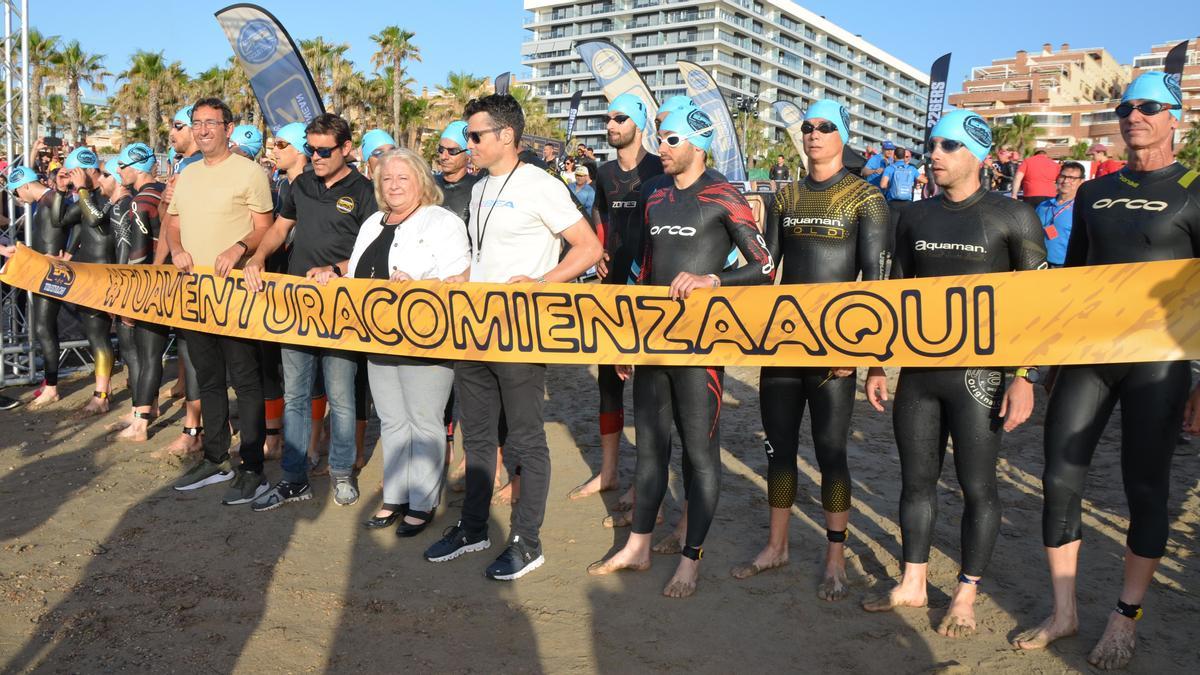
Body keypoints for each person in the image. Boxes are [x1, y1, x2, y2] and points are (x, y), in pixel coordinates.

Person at [1013, 72, 1200, 670]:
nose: (1134, 116)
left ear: (1177, 119)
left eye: (1149, 107)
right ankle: (1064, 610)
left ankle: (1126, 615)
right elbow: (1070, 287)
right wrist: (1034, 368)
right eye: (1126, 107)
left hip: (1158, 362)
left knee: (1144, 486)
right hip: (1090, 356)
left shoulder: (1196, 190)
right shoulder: (1094, 194)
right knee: (1060, 477)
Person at [862, 109, 1046, 637]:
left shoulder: (1014, 217)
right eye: (931, 145)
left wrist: (1024, 376)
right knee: (915, 481)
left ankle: (965, 591)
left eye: (948, 146)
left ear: (979, 154)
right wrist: (877, 363)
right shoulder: (916, 217)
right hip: (920, 374)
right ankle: (914, 582)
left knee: (976, 486)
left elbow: (1036, 305)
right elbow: (891, 296)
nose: (934, 154)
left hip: (980, 377)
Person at [586, 105, 774, 598]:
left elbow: (765, 265)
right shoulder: (655, 195)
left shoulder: (723, 195)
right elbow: (642, 274)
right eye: (660, 139)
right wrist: (627, 339)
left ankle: (691, 559)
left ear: (697, 144)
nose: (661, 149)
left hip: (699, 350)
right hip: (652, 345)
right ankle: (639, 546)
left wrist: (714, 279)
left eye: (670, 140)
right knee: (649, 450)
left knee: (699, 455)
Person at [421, 93, 601, 581]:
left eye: (474, 136)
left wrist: (543, 283)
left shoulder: (541, 185)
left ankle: (528, 542)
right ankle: (475, 526)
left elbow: (589, 247)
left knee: (525, 440)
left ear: (505, 136)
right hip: (474, 328)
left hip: (520, 333)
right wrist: (464, 278)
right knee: (478, 435)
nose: (467, 144)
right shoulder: (479, 188)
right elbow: (485, 255)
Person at [733, 99, 888, 601]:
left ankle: (835, 558)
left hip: (834, 348)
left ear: (843, 135)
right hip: (783, 344)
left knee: (830, 453)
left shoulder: (866, 198)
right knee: (778, 447)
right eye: (808, 127)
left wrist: (866, 355)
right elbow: (766, 267)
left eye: (825, 127)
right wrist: (719, 284)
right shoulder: (786, 196)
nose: (814, 134)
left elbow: (877, 281)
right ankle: (776, 545)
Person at [242, 113, 377, 511]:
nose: (316, 157)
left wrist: (337, 271)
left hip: (341, 307)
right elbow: (281, 227)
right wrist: (259, 256)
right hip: (296, 305)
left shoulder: (365, 190)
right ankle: (294, 477)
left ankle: (340, 471)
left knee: (341, 394)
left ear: (346, 149)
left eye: (324, 150)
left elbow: (372, 251)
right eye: (311, 149)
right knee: (296, 395)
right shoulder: (299, 184)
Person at [350, 148, 470, 536]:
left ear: (421, 180)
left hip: (426, 339)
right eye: (387, 179)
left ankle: (422, 502)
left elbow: (460, 280)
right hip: (377, 336)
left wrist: (419, 287)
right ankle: (395, 497)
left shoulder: (442, 222)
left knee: (424, 421)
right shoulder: (371, 222)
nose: (394, 185)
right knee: (392, 421)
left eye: (403, 177)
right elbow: (355, 274)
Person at [164, 97, 273, 504]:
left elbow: (266, 226)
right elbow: (172, 223)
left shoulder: (249, 172)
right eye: (197, 123)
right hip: (195, 295)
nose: (203, 129)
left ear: (229, 128)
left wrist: (238, 248)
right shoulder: (187, 175)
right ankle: (214, 457)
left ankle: (252, 468)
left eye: (211, 122)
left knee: (245, 380)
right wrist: (176, 249)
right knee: (206, 378)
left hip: (236, 296)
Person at [568, 92, 663, 506]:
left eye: (620, 118)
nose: (611, 125)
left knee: (648, 390)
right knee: (608, 381)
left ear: (638, 124)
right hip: (611, 287)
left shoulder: (659, 168)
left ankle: (645, 479)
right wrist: (601, 252)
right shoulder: (604, 173)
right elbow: (601, 218)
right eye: (608, 119)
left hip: (648, 288)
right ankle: (608, 472)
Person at [112, 143, 168, 442]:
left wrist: (128, 297)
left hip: (151, 285)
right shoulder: (163, 191)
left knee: (149, 354)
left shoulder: (140, 201)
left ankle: (141, 422)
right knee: (175, 354)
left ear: (135, 168)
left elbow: (137, 255)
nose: (119, 171)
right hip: (177, 279)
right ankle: (151, 409)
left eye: (121, 166)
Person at [5, 166, 73, 409]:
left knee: (44, 327)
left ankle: (53, 387)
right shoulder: (47, 200)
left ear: (24, 186)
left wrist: (65, 253)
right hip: (45, 270)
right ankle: (49, 380)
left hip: (52, 273)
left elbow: (70, 227)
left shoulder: (53, 199)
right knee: (44, 327)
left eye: (15, 194)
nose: (17, 200)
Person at [161, 103, 205, 456]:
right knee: (189, 351)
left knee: (198, 355)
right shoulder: (183, 166)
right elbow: (168, 221)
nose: (171, 133)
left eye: (178, 125)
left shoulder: (204, 167)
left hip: (207, 275)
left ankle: (195, 431)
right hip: (184, 273)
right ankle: (196, 427)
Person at [61, 147, 116, 417]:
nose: (71, 179)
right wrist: (61, 191)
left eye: (72, 173)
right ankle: (105, 390)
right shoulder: (84, 197)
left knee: (102, 336)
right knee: (96, 335)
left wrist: (82, 190)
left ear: (85, 170)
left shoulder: (106, 193)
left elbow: (96, 219)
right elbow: (61, 220)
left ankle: (102, 395)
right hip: (87, 275)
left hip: (106, 276)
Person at [1034, 161, 1085, 268]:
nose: (1066, 181)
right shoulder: (1043, 206)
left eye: (1072, 178)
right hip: (1039, 262)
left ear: (1081, 182)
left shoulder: (1082, 208)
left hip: (1066, 265)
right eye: (1063, 176)